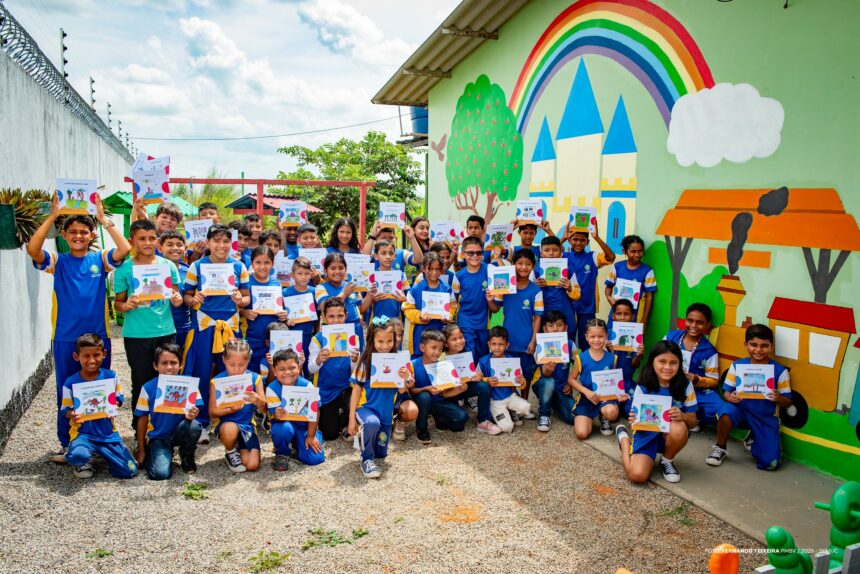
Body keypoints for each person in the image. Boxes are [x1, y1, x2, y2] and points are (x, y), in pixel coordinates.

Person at [27, 192, 130, 461]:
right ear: (64, 235)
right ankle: (67, 442)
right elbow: (33, 250)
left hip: (98, 337)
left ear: (92, 235)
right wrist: (51, 216)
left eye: (84, 232)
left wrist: (103, 219)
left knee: (99, 387)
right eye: (73, 232)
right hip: (65, 337)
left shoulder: (101, 260)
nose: (79, 236)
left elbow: (125, 249)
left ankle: (100, 438)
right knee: (67, 389)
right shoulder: (58, 261)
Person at [113, 219, 183, 431]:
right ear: (131, 241)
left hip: (165, 332)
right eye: (142, 238)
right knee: (141, 384)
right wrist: (127, 305)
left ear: (158, 240)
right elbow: (117, 304)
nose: (147, 242)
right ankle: (140, 433)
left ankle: (167, 431)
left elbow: (176, 296)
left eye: (152, 238)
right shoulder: (124, 269)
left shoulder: (168, 266)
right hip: (136, 335)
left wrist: (177, 300)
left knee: (169, 381)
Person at [182, 223, 251, 437]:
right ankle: (201, 420)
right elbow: (186, 297)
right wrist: (194, 299)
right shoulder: (196, 266)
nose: (222, 245)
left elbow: (247, 298)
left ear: (231, 243)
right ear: (208, 243)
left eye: (226, 241)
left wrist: (241, 299)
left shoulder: (239, 266)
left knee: (232, 371)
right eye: (217, 240)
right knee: (201, 371)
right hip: (203, 326)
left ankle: (230, 418)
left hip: (229, 326)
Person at [706, 324, 793, 470]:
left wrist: (779, 397)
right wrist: (730, 397)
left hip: (764, 416)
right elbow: (726, 392)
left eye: (764, 346)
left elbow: (788, 402)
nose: (758, 350)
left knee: (771, 464)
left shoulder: (780, 370)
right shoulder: (737, 366)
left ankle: (755, 438)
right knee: (726, 412)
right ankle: (720, 447)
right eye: (753, 345)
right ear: (746, 345)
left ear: (771, 347)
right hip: (741, 410)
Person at [615, 341, 698, 484]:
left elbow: (693, 422)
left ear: (680, 364)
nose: (667, 367)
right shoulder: (644, 383)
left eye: (673, 363)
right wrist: (633, 419)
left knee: (679, 426)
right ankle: (624, 441)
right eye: (662, 361)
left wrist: (682, 416)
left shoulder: (685, 384)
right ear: (652, 361)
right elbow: (635, 422)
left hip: (669, 436)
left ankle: (667, 460)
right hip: (647, 432)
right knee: (637, 476)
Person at [60, 333, 138, 479]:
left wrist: (113, 404)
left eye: (96, 355)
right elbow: (64, 409)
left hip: (107, 434)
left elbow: (119, 399)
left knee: (130, 471)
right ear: (76, 357)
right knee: (76, 456)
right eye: (86, 356)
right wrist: (72, 414)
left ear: (104, 354)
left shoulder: (111, 376)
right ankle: (83, 458)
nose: (91, 360)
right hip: (83, 434)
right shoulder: (70, 382)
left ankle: (102, 453)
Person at [348, 316, 414, 478]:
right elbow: (356, 389)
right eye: (380, 342)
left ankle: (367, 443)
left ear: (395, 340)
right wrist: (351, 418)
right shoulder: (365, 361)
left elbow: (402, 390)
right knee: (372, 424)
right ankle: (366, 460)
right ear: (372, 340)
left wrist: (404, 378)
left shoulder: (399, 360)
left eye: (389, 341)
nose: (385, 346)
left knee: (381, 453)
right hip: (366, 408)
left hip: (386, 413)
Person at [134, 343, 203, 479]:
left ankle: (187, 454)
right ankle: (160, 452)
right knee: (160, 475)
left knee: (194, 425)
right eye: (164, 363)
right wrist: (141, 450)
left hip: (180, 431)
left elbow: (196, 411)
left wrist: (191, 414)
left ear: (181, 364)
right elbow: (141, 418)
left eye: (173, 362)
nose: (169, 367)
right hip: (159, 436)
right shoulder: (148, 388)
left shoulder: (189, 384)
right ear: (155, 366)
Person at [488, 248, 543, 399]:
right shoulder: (506, 287)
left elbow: (538, 317)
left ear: (533, 266)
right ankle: (513, 402)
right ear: (513, 265)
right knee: (509, 373)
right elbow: (495, 308)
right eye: (520, 263)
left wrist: (533, 341)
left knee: (526, 373)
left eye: (528, 264)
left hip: (526, 342)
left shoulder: (536, 291)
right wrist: (489, 299)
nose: (523, 267)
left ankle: (524, 402)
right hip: (508, 341)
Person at [308, 297, 362, 441]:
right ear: (324, 317)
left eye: (340, 316)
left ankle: (347, 422)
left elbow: (355, 371)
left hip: (345, 387)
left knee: (353, 398)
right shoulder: (317, 340)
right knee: (329, 434)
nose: (336, 320)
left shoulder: (353, 338)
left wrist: (355, 359)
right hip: (325, 390)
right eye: (331, 316)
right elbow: (311, 369)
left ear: (346, 316)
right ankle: (336, 420)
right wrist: (319, 359)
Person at [209, 339, 266, 473]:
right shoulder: (216, 381)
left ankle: (239, 445)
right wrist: (231, 410)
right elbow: (212, 412)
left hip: (247, 425)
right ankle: (229, 450)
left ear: (248, 361)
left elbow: (263, 409)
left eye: (241, 365)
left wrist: (257, 400)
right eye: (232, 364)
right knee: (230, 429)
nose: (236, 369)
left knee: (251, 465)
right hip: (226, 424)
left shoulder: (255, 379)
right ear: (224, 360)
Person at [664, 303, 722, 430]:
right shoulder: (671, 337)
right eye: (690, 321)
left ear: (707, 325)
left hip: (696, 391)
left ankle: (690, 418)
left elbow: (714, 381)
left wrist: (697, 379)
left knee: (719, 409)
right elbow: (657, 358)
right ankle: (685, 417)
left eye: (699, 322)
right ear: (685, 320)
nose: (694, 326)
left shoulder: (709, 351)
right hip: (668, 384)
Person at [266, 349, 325, 471]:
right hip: (284, 425)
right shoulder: (271, 389)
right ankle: (282, 453)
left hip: (304, 427)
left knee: (315, 459)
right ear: (274, 371)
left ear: (299, 367)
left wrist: (311, 435)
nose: (287, 372)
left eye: (292, 367)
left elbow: (315, 411)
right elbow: (273, 416)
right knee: (283, 429)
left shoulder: (307, 386)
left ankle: (298, 445)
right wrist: (277, 414)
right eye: (282, 369)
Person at [563, 220, 615, 349]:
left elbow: (611, 257)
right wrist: (563, 238)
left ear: (587, 242)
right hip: (567, 306)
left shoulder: (593, 257)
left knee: (587, 342)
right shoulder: (563, 256)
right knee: (566, 342)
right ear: (570, 240)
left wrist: (596, 237)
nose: (578, 243)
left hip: (587, 307)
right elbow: (547, 255)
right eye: (575, 239)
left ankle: (586, 367)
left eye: (582, 240)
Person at [440, 324, 501, 435]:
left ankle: (483, 420)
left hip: (462, 388)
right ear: (445, 343)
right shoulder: (441, 359)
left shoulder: (465, 355)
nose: (459, 341)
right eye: (454, 339)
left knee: (483, 386)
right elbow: (442, 392)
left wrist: (479, 377)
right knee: (456, 425)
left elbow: (470, 377)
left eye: (461, 337)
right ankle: (442, 414)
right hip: (447, 394)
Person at [569, 318, 625, 439]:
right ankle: (588, 416)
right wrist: (586, 391)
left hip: (606, 399)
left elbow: (616, 382)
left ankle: (604, 417)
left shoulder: (612, 358)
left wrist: (620, 394)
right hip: (587, 398)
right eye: (592, 336)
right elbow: (571, 379)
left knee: (612, 413)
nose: (596, 340)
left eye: (600, 336)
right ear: (586, 337)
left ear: (606, 336)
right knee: (582, 434)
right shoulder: (581, 358)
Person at [474, 326, 531, 433]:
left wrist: (522, 381)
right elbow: (477, 380)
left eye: (501, 344)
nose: (497, 347)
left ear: (507, 345)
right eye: (494, 344)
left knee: (526, 408)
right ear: (489, 344)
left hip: (509, 396)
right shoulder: (483, 361)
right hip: (495, 400)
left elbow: (521, 384)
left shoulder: (512, 361)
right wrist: (486, 380)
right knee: (507, 427)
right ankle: (494, 413)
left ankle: (510, 411)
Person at [241, 246, 288, 373]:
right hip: (253, 336)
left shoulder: (276, 283)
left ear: (273, 264)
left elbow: (280, 307)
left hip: (273, 337)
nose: (262, 266)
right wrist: (244, 312)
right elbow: (236, 308)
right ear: (252, 263)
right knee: (252, 370)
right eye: (258, 262)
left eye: (267, 262)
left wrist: (283, 314)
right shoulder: (246, 282)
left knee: (272, 370)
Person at [402, 253, 456, 358]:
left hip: (439, 331)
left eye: (437, 269)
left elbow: (453, 305)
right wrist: (419, 316)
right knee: (419, 363)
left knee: (438, 362)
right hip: (420, 334)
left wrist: (448, 315)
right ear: (423, 268)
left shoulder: (447, 289)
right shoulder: (415, 289)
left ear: (442, 269)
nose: (434, 273)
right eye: (430, 269)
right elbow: (407, 309)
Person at [532, 310, 577, 432]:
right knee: (549, 381)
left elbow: (578, 364)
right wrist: (547, 370)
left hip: (561, 387)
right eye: (551, 326)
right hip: (542, 384)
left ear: (565, 328)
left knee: (573, 418)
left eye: (559, 325)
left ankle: (552, 401)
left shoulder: (570, 345)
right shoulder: (540, 346)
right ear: (545, 329)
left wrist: (570, 382)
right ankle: (544, 415)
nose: (555, 329)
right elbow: (545, 374)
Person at [452, 236, 491, 360]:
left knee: (483, 353)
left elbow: (505, 273)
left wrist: (498, 255)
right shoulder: (458, 276)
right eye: (470, 253)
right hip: (465, 320)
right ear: (463, 254)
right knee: (468, 353)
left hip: (483, 321)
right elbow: (452, 300)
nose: (475, 255)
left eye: (478, 252)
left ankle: (480, 379)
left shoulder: (489, 269)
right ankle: (468, 379)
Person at [535, 235, 580, 343]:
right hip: (543, 315)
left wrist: (569, 287)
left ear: (561, 252)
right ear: (541, 253)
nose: (551, 253)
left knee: (567, 347)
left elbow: (578, 294)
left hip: (565, 314)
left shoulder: (568, 269)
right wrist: (535, 287)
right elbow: (527, 293)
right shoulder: (536, 270)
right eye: (547, 250)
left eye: (555, 250)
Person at [604, 235, 656, 327]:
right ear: (624, 251)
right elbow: (609, 287)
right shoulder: (617, 267)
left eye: (640, 251)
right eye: (633, 251)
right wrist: (609, 298)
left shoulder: (648, 271)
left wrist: (644, 321)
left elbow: (649, 297)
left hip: (635, 315)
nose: (637, 254)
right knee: (611, 338)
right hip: (617, 313)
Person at [605, 299, 644, 418]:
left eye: (626, 314)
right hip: (610, 382)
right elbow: (601, 364)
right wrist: (608, 351)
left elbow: (634, 365)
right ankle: (617, 405)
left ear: (632, 316)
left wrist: (639, 355)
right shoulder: (607, 334)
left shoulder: (636, 336)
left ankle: (623, 405)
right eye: (618, 314)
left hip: (627, 381)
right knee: (611, 414)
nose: (622, 317)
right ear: (613, 316)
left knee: (634, 414)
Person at [282, 257, 318, 377]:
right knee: (292, 366)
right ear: (292, 275)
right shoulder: (285, 293)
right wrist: (286, 321)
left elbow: (318, 315)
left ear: (311, 274)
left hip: (308, 336)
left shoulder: (315, 292)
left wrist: (316, 333)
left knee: (307, 366)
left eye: (306, 273)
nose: (303, 276)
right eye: (300, 273)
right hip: (290, 337)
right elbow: (281, 316)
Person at [158, 231, 193, 351]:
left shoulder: (189, 271)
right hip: (159, 328)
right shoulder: (152, 270)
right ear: (160, 248)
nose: (175, 248)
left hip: (183, 328)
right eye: (170, 244)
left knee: (182, 364)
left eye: (179, 244)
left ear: (186, 248)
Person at [360, 239, 407, 323]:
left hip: (396, 321)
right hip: (375, 321)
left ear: (395, 256)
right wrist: (371, 298)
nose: (388, 256)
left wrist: (403, 299)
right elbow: (362, 309)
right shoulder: (370, 276)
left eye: (391, 253)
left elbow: (409, 301)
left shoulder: (401, 276)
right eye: (383, 253)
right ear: (376, 256)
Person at [315, 252, 362, 331]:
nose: (337, 271)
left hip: (355, 328)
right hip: (334, 330)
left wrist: (370, 294)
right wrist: (344, 294)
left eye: (341, 268)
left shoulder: (351, 285)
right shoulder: (321, 288)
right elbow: (324, 307)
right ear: (325, 270)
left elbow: (361, 308)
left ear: (346, 269)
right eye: (333, 268)